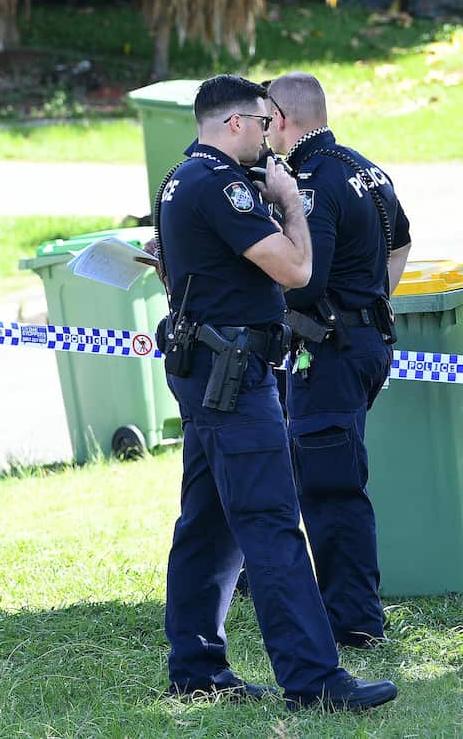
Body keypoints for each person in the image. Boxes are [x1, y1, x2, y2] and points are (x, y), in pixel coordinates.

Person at [155, 74, 396, 711]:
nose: (270, 137)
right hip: (235, 378)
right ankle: (315, 680)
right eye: (264, 124)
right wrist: (290, 202)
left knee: (208, 524)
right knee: (271, 525)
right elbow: (297, 269)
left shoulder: (182, 177)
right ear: (235, 123)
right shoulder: (223, 184)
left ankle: (196, 668)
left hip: (207, 371)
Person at [265, 72, 412, 649]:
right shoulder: (363, 167)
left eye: (265, 119)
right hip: (365, 344)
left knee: (331, 489)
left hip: (331, 353)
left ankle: (353, 621)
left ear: (281, 119)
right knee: (332, 475)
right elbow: (401, 242)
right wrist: (371, 304)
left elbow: (305, 279)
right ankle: (341, 608)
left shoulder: (310, 182)